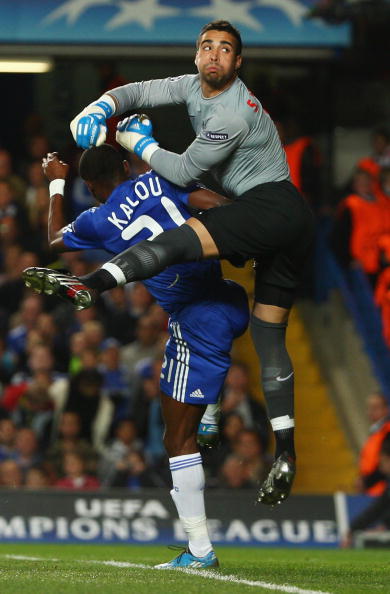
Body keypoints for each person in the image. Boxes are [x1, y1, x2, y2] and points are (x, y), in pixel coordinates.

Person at [23, 21, 314, 513]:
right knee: (268, 340)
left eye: (225, 49)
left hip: (262, 215)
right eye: (207, 46)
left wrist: (134, 144)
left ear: (238, 64)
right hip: (279, 227)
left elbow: (182, 170)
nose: (214, 54)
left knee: (179, 243)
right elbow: (141, 93)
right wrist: (101, 106)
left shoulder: (234, 112)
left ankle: (91, 285)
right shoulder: (187, 93)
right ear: (197, 55)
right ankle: (285, 453)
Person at [23, 145, 249, 569]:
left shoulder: (97, 219)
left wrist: (56, 180)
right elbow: (217, 205)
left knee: (177, 441)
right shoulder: (161, 178)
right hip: (229, 299)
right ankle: (212, 409)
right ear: (126, 167)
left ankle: (200, 551)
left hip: (195, 320)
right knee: (188, 415)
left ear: (90, 188)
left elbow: (52, 241)